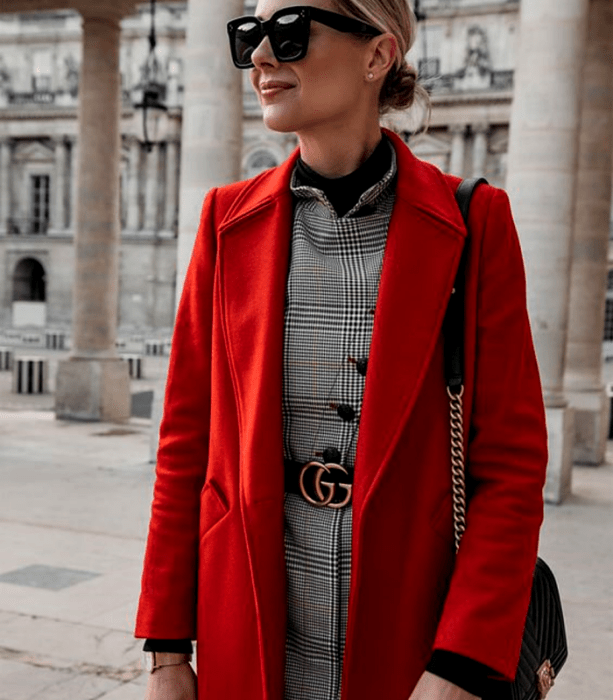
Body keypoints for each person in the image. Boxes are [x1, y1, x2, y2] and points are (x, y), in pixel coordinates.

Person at [135, 1, 548, 699]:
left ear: (377, 55)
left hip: (413, 638)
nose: (262, 57)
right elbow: (186, 444)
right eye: (250, 36)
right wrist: (167, 649)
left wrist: (462, 665)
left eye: (289, 33)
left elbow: (509, 466)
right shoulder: (224, 222)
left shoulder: (474, 222)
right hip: (254, 616)